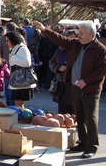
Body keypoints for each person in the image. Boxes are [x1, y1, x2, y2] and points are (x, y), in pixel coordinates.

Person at [33, 20, 106, 159]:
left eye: (82, 33)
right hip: (74, 86)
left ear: (91, 34)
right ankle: (82, 142)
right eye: (79, 32)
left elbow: (103, 69)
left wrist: (86, 81)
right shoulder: (75, 44)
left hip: (90, 88)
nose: (79, 35)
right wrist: (44, 29)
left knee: (90, 117)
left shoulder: (100, 49)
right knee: (79, 115)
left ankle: (92, 146)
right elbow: (60, 39)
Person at [48, 30, 77, 114]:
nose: (71, 40)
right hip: (61, 85)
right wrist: (58, 68)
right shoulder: (60, 50)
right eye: (69, 37)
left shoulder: (77, 50)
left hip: (72, 84)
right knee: (62, 111)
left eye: (73, 37)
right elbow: (51, 62)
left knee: (73, 111)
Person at [5, 31, 35, 108]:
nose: (6, 43)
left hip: (21, 80)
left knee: (19, 103)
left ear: (13, 40)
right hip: (17, 80)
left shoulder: (22, 48)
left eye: (7, 41)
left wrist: (13, 58)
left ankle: (20, 118)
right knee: (18, 103)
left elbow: (27, 63)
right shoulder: (16, 48)